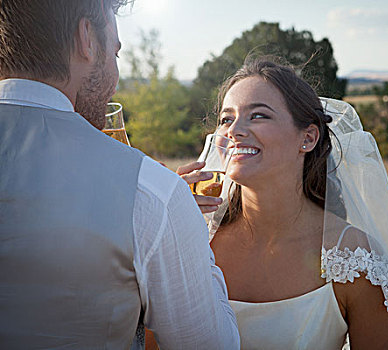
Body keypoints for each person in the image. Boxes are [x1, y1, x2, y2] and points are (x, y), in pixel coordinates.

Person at [0, 1, 239, 349]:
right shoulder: (150, 193)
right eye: (116, 52)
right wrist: (182, 224)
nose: (115, 76)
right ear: (87, 39)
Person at [176, 57, 388, 350]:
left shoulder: (356, 261)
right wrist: (160, 223)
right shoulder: (191, 237)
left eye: (258, 116)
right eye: (227, 119)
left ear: (308, 137)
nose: (234, 131)